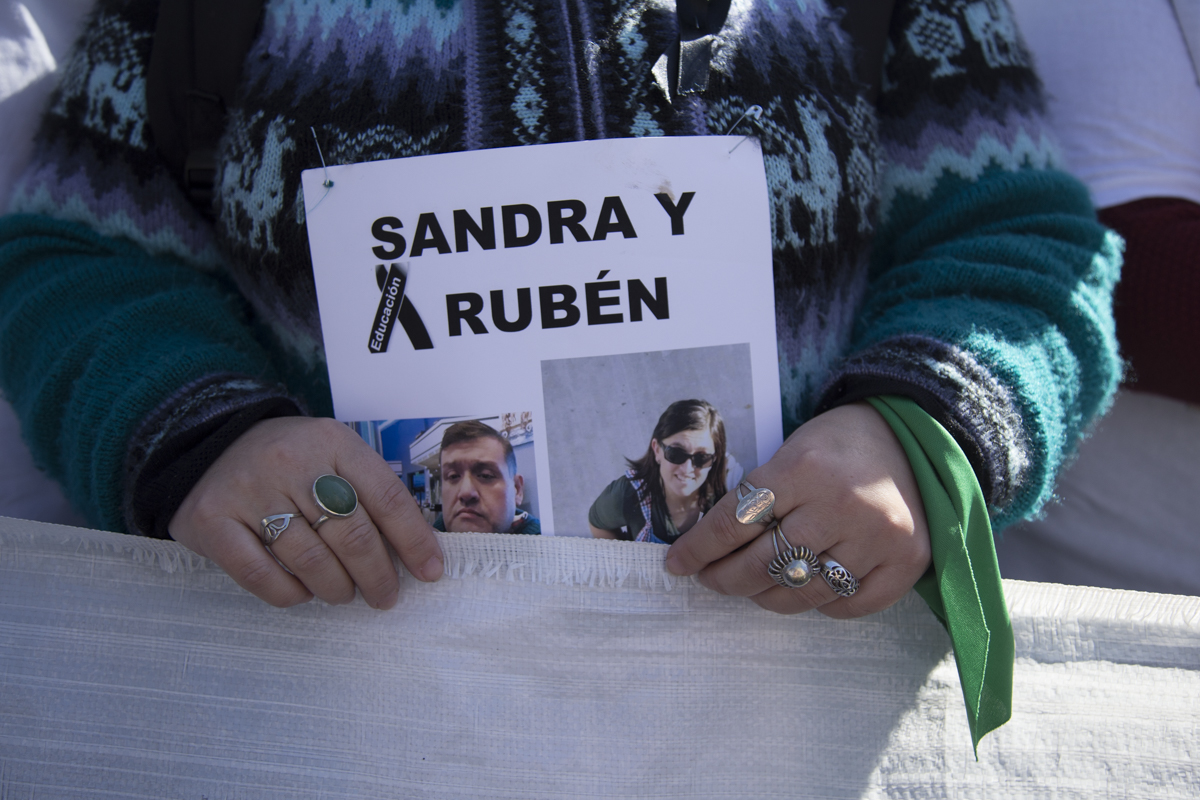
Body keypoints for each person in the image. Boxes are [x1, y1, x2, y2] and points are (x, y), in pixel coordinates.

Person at [0, 0, 1120, 618]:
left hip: (792, 702)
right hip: (338, 703)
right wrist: (205, 436)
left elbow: (1017, 243)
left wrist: (914, 431)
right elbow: (81, 259)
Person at [589, 399, 725, 545]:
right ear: (657, 449)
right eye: (676, 453)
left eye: (701, 457)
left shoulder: (726, 499)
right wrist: (622, 556)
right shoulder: (629, 493)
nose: (687, 469)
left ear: (714, 459)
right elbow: (598, 523)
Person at [432, 420, 540, 535]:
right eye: (453, 476)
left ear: (517, 489)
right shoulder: (422, 543)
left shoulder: (546, 543)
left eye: (486, 475)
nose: (466, 492)